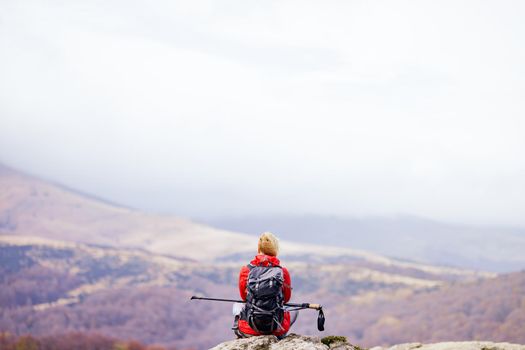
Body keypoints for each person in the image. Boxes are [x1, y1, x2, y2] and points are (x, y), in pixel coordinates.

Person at [233, 232, 297, 338]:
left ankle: (238, 328)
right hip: (275, 328)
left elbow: (244, 297)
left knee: (237, 304)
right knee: (294, 311)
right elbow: (286, 299)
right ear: (275, 249)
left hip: (250, 329)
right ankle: (280, 335)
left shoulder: (246, 270)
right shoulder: (282, 271)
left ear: (259, 248)